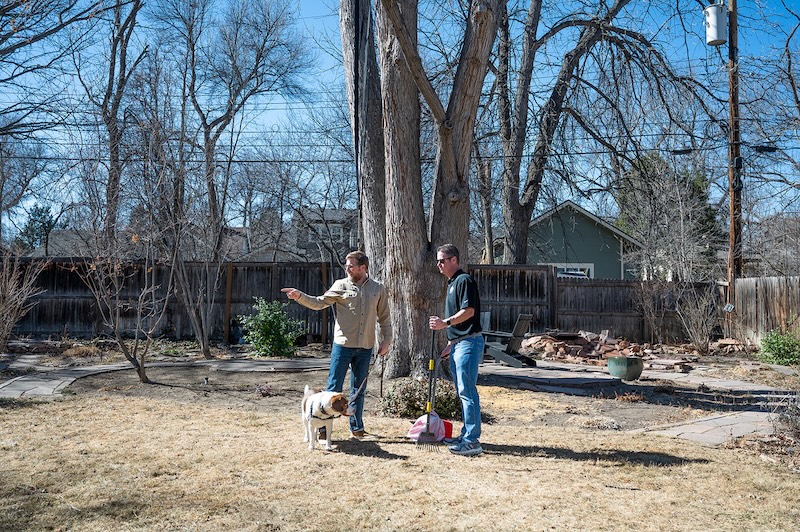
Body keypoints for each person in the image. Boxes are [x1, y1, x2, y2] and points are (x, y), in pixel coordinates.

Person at [281, 251, 391, 439]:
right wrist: (300, 296)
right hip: (342, 346)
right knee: (333, 388)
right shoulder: (340, 285)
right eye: (346, 265)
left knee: (359, 390)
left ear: (363, 268)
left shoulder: (377, 288)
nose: (347, 268)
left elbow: (385, 318)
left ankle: (356, 426)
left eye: (351, 265)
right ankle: (323, 428)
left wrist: (387, 340)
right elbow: (319, 302)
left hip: (365, 347)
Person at [429, 243, 484, 457]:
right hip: (458, 344)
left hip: (469, 343)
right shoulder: (452, 283)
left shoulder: (464, 280)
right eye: (438, 261)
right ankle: (465, 435)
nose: (439, 264)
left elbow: (469, 312)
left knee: (468, 392)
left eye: (442, 260)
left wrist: (444, 323)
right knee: (463, 392)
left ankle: (472, 441)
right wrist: (450, 343)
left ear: (454, 260)